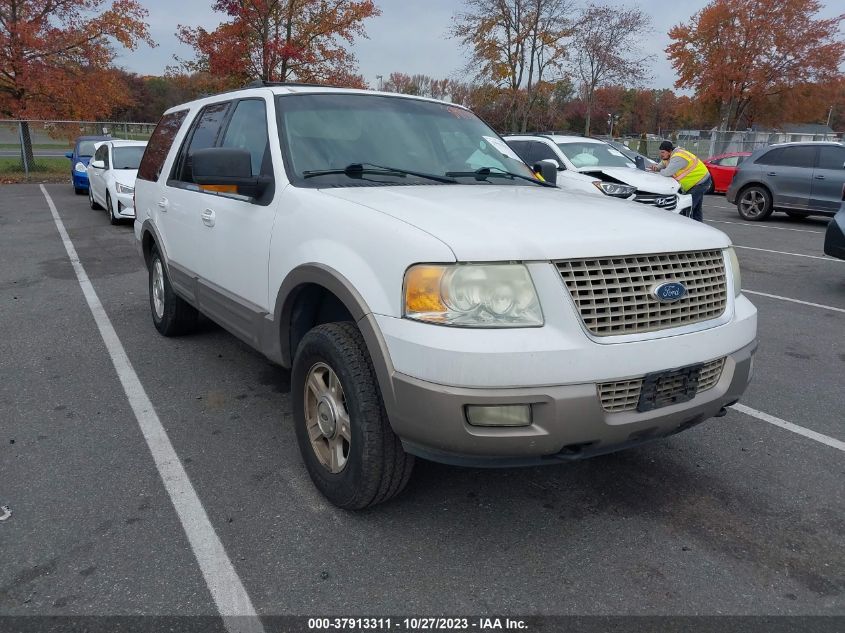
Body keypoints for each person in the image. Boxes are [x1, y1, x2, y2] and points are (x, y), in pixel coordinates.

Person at [648, 140, 711, 222]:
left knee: (687, 208)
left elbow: (666, 173)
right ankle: (700, 228)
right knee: (696, 209)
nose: (661, 155)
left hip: (700, 182)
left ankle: (688, 227)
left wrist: (657, 172)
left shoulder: (678, 158)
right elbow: (663, 164)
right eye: (660, 152)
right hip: (699, 182)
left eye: (663, 152)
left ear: (670, 151)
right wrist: (656, 168)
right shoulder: (670, 156)